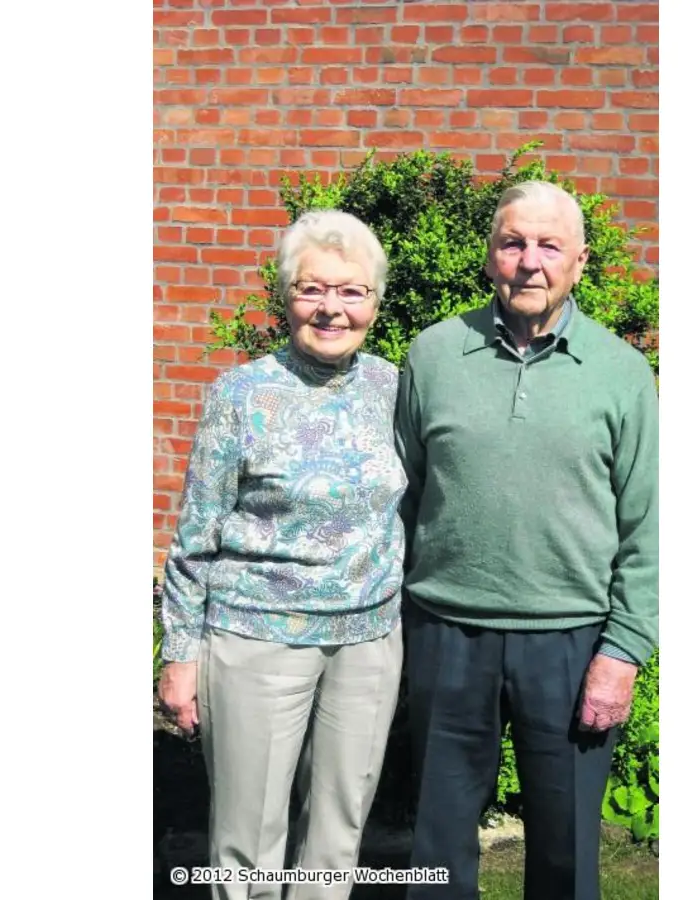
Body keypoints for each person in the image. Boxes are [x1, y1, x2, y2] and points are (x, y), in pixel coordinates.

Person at [394, 181, 658, 900]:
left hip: (571, 643)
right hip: (448, 633)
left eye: (549, 246)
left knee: (567, 856)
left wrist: (623, 653)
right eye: (513, 243)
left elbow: (648, 525)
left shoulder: (621, 373)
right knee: (438, 848)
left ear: (580, 261)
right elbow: (407, 494)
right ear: (489, 257)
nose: (529, 262)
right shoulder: (436, 354)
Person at [157, 209, 406, 900]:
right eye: (312, 289)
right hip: (257, 641)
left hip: (368, 644)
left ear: (375, 304)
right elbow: (195, 535)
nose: (331, 309)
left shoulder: (395, 389)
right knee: (247, 844)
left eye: (351, 292)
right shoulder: (239, 395)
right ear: (286, 297)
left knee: (338, 834)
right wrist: (179, 657)